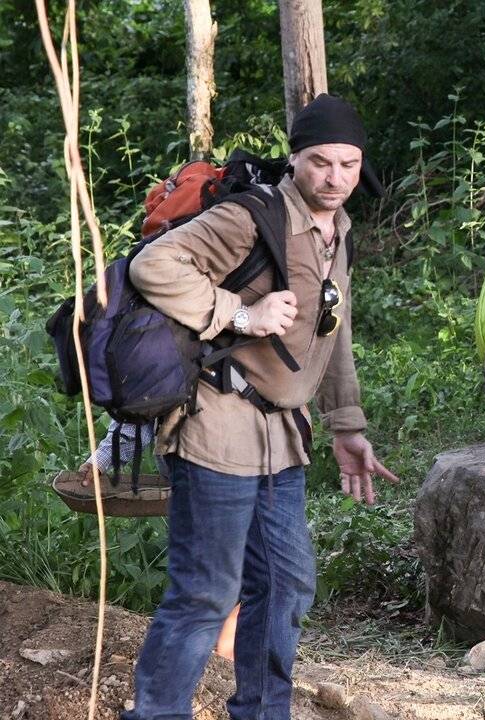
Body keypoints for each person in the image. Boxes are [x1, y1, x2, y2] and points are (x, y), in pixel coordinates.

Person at [121, 94, 399, 719]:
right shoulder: (251, 217)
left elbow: (333, 329)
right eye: (320, 162)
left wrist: (346, 425)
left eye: (348, 164)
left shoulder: (337, 231)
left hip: (282, 435)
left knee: (284, 583)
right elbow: (153, 266)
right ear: (295, 159)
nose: (334, 178)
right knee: (206, 593)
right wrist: (242, 315)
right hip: (216, 425)